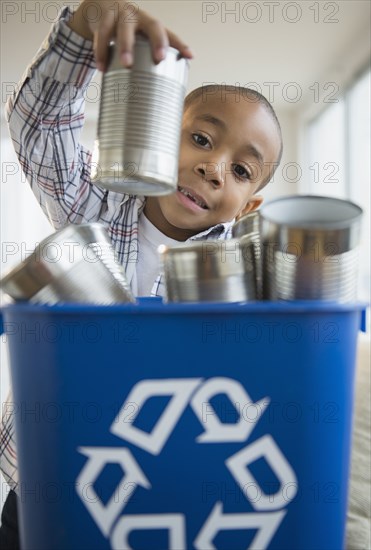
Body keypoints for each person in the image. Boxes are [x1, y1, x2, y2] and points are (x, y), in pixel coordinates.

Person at [0, 0, 283, 546]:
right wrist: (88, 19)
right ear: (160, 130)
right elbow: (37, 130)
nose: (213, 167)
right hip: (48, 471)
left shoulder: (245, 275)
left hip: (166, 481)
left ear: (249, 206)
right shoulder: (96, 205)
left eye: (242, 170)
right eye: (200, 139)